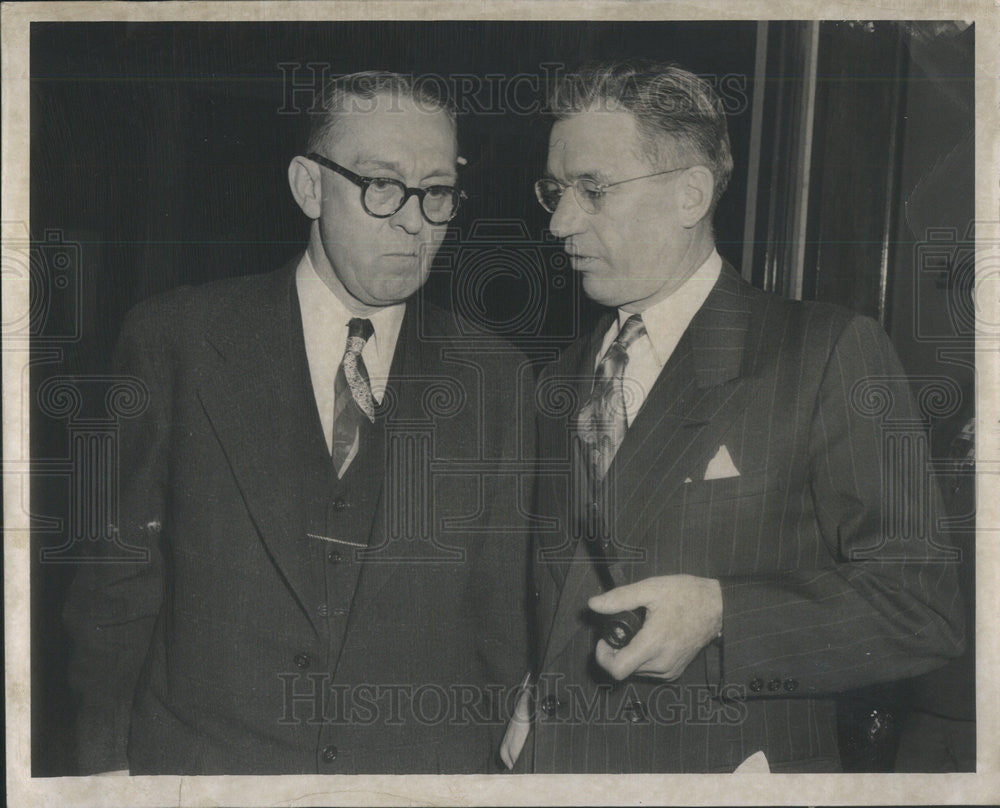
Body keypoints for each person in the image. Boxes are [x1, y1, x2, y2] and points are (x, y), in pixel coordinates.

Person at [501, 61, 964, 773]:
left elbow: (921, 612)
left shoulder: (825, 352)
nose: (560, 222)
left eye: (593, 191)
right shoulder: (555, 379)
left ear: (690, 193)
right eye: (555, 191)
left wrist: (722, 614)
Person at [64, 71, 531, 775]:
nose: (414, 219)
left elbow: (503, 632)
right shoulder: (177, 341)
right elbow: (116, 586)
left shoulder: (499, 379)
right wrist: (103, 776)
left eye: (436, 192)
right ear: (308, 186)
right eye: (381, 184)